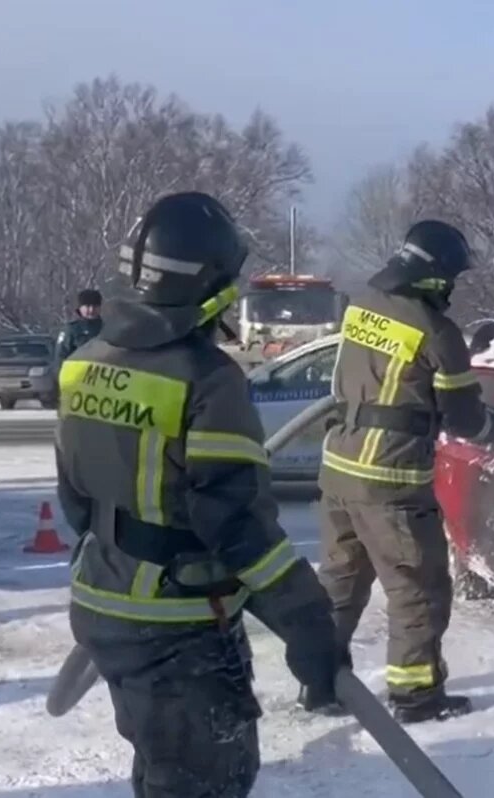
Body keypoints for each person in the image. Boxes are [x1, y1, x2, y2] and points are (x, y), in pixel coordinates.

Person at [54, 191, 343, 798]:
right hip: (176, 628)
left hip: (102, 606)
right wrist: (308, 621)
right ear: (212, 289)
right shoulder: (208, 380)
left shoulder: (83, 362)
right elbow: (238, 528)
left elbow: (77, 501)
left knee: (161, 768)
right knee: (206, 780)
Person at [315, 219, 494, 723]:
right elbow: (465, 420)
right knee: (417, 588)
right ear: (435, 276)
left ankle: (319, 683)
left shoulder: (361, 306)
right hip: (390, 480)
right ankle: (417, 697)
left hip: (338, 468)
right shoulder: (438, 333)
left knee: (340, 585)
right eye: (451, 277)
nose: (453, 287)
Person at [54, 289, 104, 363]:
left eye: (95, 306)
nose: (91, 310)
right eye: (87, 306)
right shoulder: (71, 330)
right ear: (80, 308)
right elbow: (61, 356)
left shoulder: (107, 328)